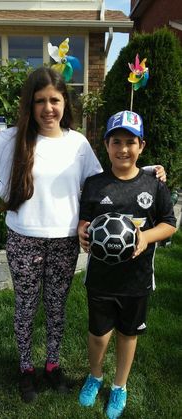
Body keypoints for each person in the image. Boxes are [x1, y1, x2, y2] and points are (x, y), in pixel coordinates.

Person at [0, 68, 166, 404]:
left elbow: (105, 180)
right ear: (30, 105)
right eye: (40, 101)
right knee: (25, 307)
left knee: (56, 308)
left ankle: (52, 366)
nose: (48, 108)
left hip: (65, 241)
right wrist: (5, 188)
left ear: (66, 102)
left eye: (55, 99)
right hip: (24, 238)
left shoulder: (76, 143)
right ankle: (26, 370)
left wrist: (148, 170)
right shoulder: (11, 139)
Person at [78, 110, 176, 418]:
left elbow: (170, 224)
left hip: (136, 279)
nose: (123, 149)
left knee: (128, 334)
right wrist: (83, 232)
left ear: (141, 146)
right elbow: (84, 221)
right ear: (106, 146)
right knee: (98, 334)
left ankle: (119, 386)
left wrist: (146, 237)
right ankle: (95, 377)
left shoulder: (153, 186)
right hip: (101, 279)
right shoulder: (95, 185)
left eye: (130, 142)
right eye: (116, 141)